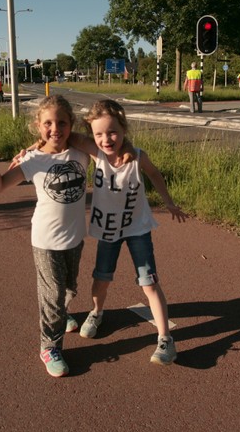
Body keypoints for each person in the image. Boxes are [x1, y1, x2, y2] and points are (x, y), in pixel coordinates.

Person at [0, 95, 89, 378]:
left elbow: (104, 145)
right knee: (53, 294)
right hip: (45, 240)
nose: (55, 129)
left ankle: (61, 314)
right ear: (38, 126)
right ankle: (49, 347)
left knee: (69, 287)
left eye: (61, 122)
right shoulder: (33, 160)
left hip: (75, 237)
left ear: (71, 124)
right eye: (48, 123)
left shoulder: (81, 153)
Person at [69, 99, 187, 365]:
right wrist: (34, 147)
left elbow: (155, 175)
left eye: (112, 132)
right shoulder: (96, 153)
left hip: (137, 229)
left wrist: (168, 202)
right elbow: (66, 135)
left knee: (149, 282)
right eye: (99, 134)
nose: (106, 139)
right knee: (101, 278)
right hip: (108, 230)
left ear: (123, 129)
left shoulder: (138, 156)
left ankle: (165, 339)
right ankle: (97, 312)